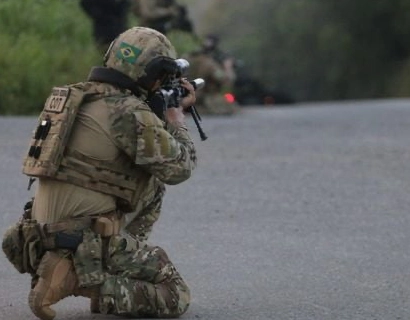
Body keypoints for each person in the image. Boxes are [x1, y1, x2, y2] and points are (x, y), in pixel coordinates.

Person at [2, 27, 197, 320]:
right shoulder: (128, 111)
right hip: (80, 239)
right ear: (152, 73)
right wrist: (175, 120)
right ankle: (88, 281)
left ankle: (84, 267)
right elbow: (179, 168)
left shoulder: (74, 96)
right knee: (174, 294)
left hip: (36, 237)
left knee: (150, 181)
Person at [184, 34, 238, 115]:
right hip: (203, 98)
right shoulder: (209, 63)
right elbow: (224, 79)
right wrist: (228, 68)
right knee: (230, 107)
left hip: (185, 95)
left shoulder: (188, 58)